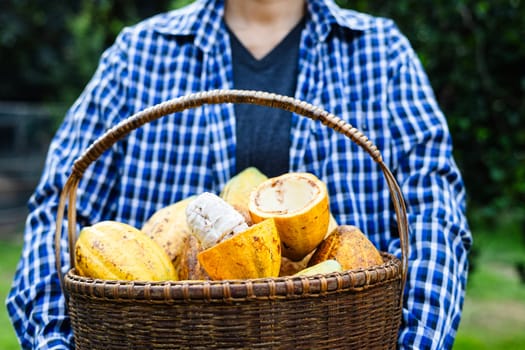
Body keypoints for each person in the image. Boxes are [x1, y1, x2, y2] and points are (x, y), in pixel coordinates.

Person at [6, 0, 472, 348]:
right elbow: (60, 210)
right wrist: (55, 342)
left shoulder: (382, 54)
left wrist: (415, 343)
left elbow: (435, 212)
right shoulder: (137, 54)